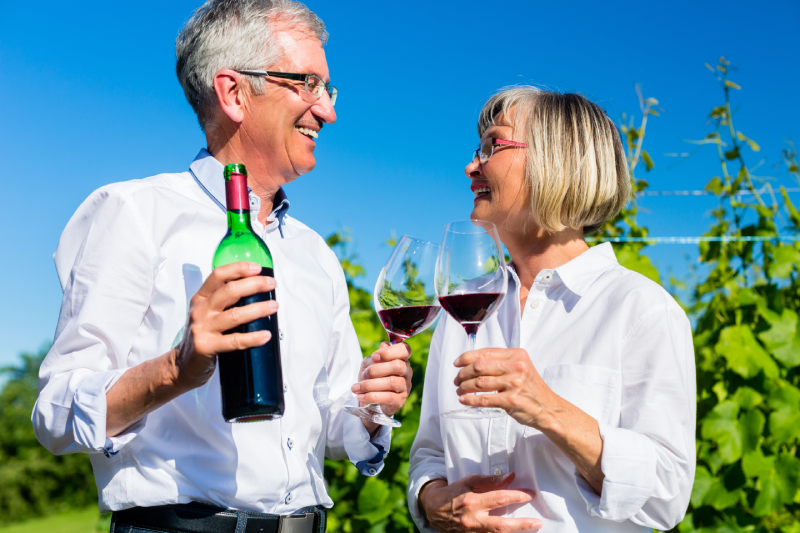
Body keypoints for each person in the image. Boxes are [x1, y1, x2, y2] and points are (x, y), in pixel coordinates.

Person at [32, 1, 412, 532]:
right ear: (234, 93)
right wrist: (176, 369)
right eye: (307, 84)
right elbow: (56, 414)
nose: (327, 111)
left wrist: (371, 405)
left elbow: (330, 425)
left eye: (328, 89)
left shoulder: (313, 253)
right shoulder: (134, 212)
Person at [408, 87, 696, 532]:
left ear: (555, 160)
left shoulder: (642, 311)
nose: (471, 166)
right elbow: (429, 453)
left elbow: (666, 498)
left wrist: (548, 409)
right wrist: (432, 501)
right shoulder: (460, 310)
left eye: (492, 146)